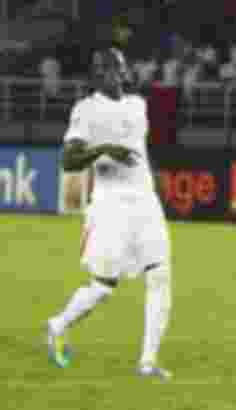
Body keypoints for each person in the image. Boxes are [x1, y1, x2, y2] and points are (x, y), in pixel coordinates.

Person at [46, 47, 173, 379]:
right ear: (99, 73)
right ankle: (58, 325)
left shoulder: (138, 105)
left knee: (160, 276)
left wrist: (155, 185)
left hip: (145, 203)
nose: (119, 73)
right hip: (110, 205)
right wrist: (103, 149)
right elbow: (69, 161)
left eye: (120, 67)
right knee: (103, 286)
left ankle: (147, 362)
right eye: (111, 68)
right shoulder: (86, 110)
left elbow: (140, 152)